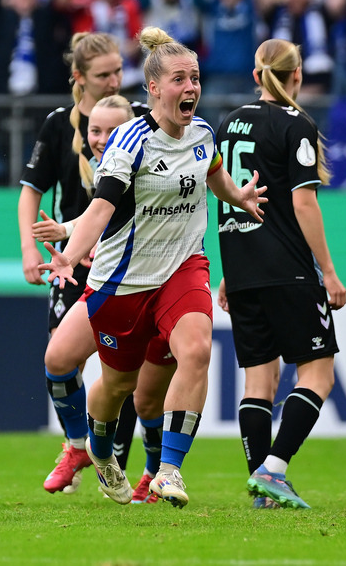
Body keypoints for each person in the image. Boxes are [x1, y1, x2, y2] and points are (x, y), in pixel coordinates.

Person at [38, 26, 268, 508]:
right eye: (180, 79)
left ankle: (169, 470)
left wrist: (237, 195)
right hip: (124, 282)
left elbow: (214, 175)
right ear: (155, 88)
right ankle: (98, 453)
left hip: (183, 268)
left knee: (198, 349)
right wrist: (72, 253)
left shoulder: (203, 133)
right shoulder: (129, 142)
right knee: (118, 385)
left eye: (196, 78)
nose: (191, 88)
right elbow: (100, 210)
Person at [215, 38, 346, 511]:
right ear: (298, 76)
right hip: (287, 269)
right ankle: (274, 469)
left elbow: (225, 197)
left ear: (255, 76)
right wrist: (327, 272)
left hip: (243, 268)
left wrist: (232, 271)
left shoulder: (228, 125)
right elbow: (303, 202)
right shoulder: (298, 125)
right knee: (317, 374)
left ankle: (260, 487)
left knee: (258, 385)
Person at [17, 32, 145, 494]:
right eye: (104, 74)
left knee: (123, 370)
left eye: (118, 70)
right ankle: (78, 444)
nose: (115, 78)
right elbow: (31, 191)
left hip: (123, 262)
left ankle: (114, 458)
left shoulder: (139, 123)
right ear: (79, 78)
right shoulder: (58, 124)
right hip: (69, 262)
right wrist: (31, 250)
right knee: (61, 357)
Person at [32, 95, 173, 504]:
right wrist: (69, 234)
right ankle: (81, 446)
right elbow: (103, 211)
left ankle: (153, 470)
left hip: (158, 287)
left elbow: (113, 213)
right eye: (95, 129)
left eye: (111, 130)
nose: (101, 138)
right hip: (111, 288)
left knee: (146, 399)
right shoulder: (106, 163)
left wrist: (72, 242)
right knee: (58, 359)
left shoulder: (150, 157)